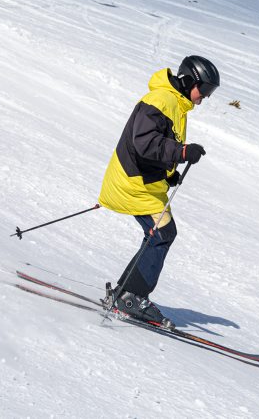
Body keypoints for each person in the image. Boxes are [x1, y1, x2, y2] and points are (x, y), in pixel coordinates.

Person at [98, 55, 220, 328]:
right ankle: (130, 297)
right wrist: (182, 152)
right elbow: (144, 142)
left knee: (160, 234)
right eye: (205, 90)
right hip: (133, 183)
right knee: (162, 233)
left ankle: (126, 293)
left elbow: (156, 145)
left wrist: (169, 171)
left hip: (144, 183)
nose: (206, 98)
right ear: (190, 81)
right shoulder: (161, 101)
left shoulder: (176, 104)